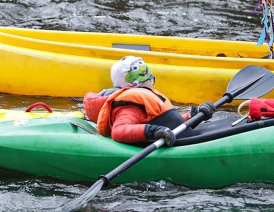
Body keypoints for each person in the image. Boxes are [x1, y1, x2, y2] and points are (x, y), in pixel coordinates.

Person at [82, 56, 216, 146]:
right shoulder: (130, 106)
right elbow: (119, 131)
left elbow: (167, 123)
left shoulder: (144, 96)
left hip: (181, 140)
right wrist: (153, 131)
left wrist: (194, 115)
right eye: (149, 80)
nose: (152, 84)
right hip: (164, 147)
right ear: (134, 84)